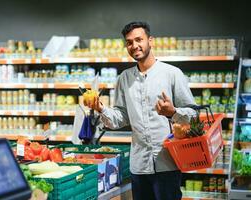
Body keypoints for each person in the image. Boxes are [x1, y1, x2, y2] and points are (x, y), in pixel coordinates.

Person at [84, 21, 196, 200]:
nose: (134, 45)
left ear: (150, 41)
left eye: (139, 39)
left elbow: (193, 114)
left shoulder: (172, 74)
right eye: (129, 42)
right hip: (139, 166)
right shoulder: (124, 79)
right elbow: (120, 118)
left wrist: (173, 112)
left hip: (168, 163)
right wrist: (101, 108)